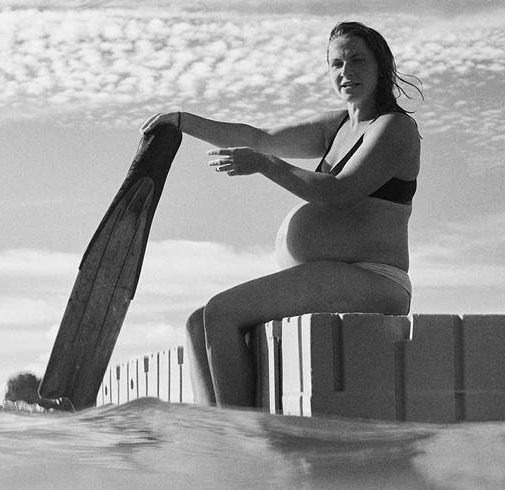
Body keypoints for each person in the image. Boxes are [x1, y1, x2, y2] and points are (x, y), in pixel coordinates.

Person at [139, 21, 422, 408]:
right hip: (334, 274)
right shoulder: (337, 125)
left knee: (221, 313)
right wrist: (183, 121)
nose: (346, 72)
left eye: (358, 60)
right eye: (336, 63)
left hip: (375, 277)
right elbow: (258, 136)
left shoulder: (395, 128)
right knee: (196, 322)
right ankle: (217, 434)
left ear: (381, 66)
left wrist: (264, 165)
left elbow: (339, 193)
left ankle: (244, 436)